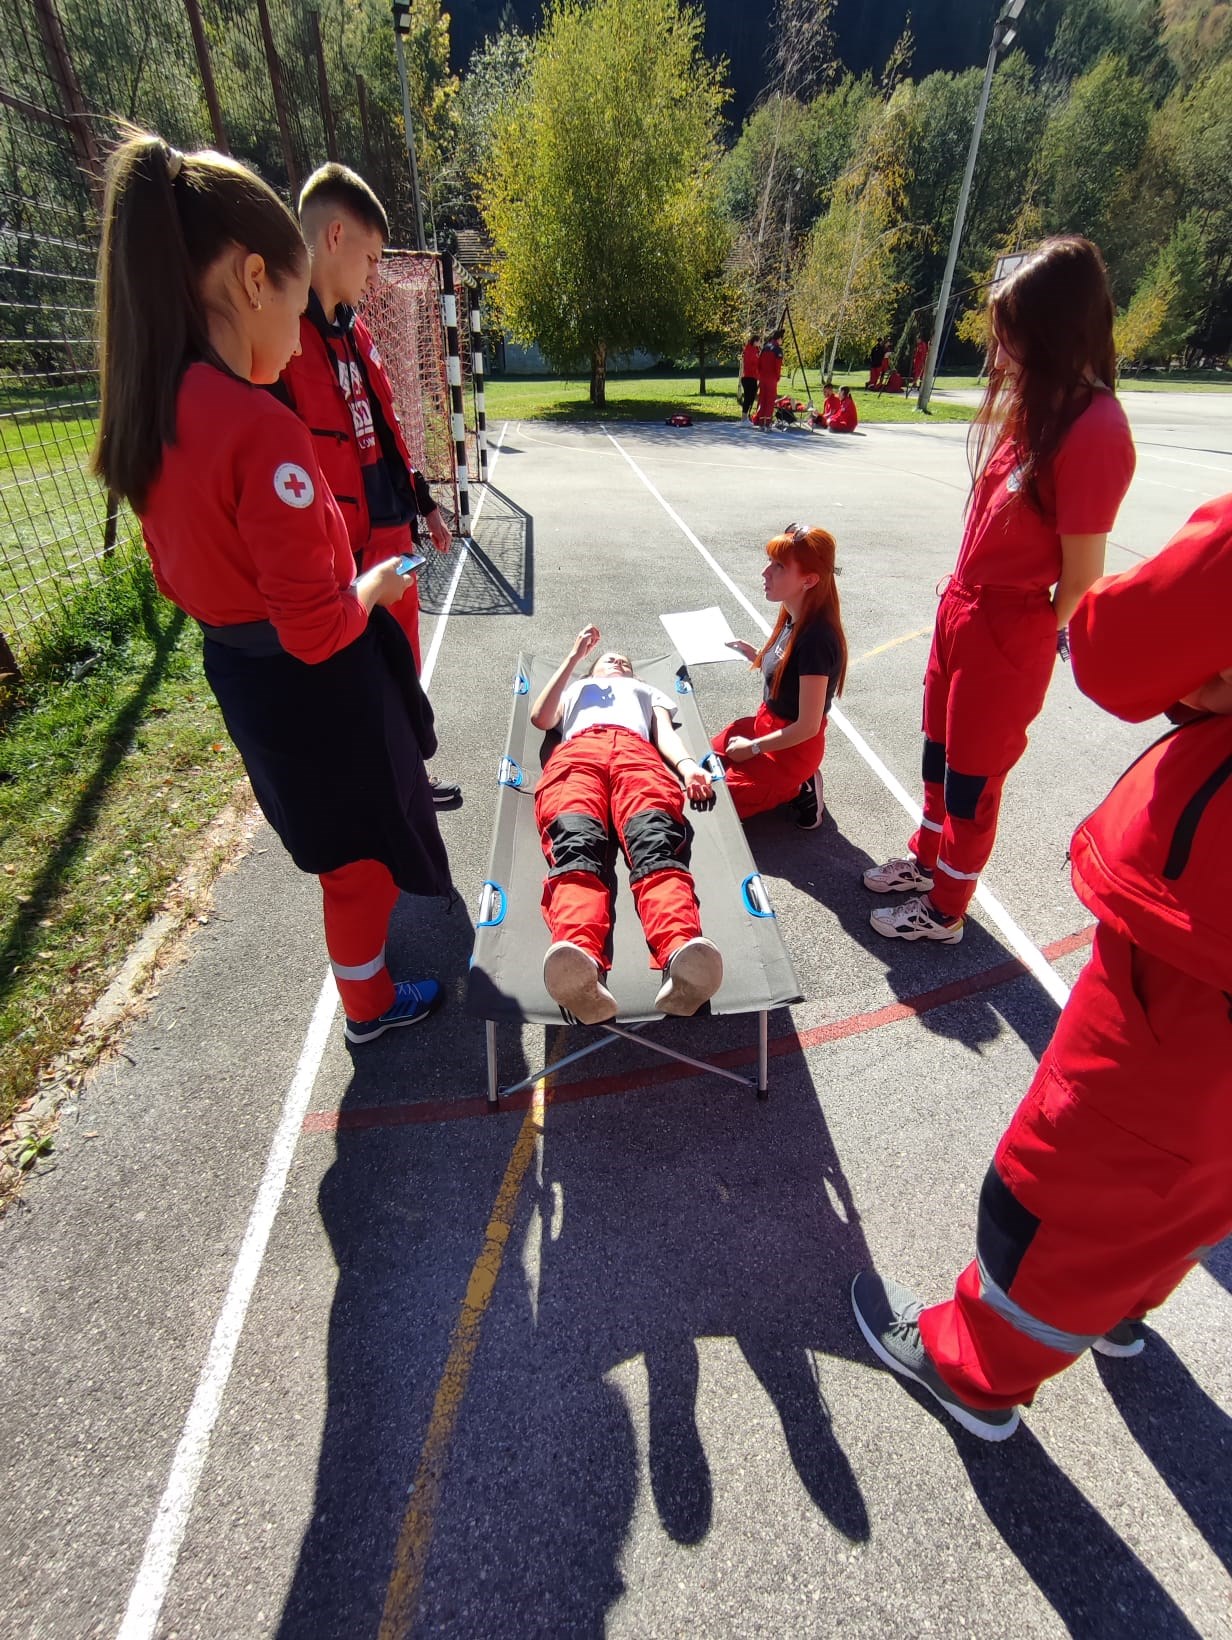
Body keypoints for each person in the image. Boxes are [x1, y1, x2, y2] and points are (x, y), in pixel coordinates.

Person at [851, 494, 1232, 1442]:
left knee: (1079, 1164)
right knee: (1205, 1161)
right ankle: (1122, 1304)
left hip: (1203, 926)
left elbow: (1120, 645)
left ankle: (976, 1367)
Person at [91, 132, 451, 1045]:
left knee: (335, 851)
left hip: (242, 675)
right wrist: (370, 583)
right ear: (255, 280)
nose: (295, 341)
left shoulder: (151, 411)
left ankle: (365, 987)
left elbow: (182, 574)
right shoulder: (256, 427)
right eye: (291, 308)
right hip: (312, 686)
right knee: (360, 860)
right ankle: (370, 1004)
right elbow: (318, 630)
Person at [863, 236, 1136, 944]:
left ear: (1051, 329)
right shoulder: (1036, 407)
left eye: (1009, 331)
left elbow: (1081, 577)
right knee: (936, 755)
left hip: (1007, 629)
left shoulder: (1095, 426)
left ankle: (946, 909)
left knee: (971, 783)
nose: (998, 349)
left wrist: (1016, 627)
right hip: (963, 609)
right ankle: (925, 862)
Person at [276, 162, 460, 807]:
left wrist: (426, 504)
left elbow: (386, 427)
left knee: (403, 663)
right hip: (339, 548)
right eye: (371, 257)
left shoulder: (356, 331)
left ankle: (410, 776)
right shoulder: (280, 338)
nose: (374, 274)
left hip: (391, 532)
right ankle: (369, 790)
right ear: (333, 237)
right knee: (355, 670)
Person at [529, 628, 723, 1024]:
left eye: (625, 662)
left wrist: (688, 769)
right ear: (591, 670)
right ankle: (579, 961)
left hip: (638, 757)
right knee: (577, 846)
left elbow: (664, 735)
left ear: (635, 676)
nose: (617, 662)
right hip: (578, 755)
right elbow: (540, 718)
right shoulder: (575, 689)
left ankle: (682, 956)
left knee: (656, 846)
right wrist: (574, 656)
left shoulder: (647, 693)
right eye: (608, 659)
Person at [712, 525, 848, 831]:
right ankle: (789, 781)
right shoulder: (792, 614)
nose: (765, 572)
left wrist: (753, 747)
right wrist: (757, 656)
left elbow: (808, 726)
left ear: (809, 581)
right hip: (766, 726)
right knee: (704, 758)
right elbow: (788, 670)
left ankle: (799, 786)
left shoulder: (817, 639)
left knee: (713, 803)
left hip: (791, 751)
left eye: (779, 566)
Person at [754, 330, 784, 428]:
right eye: (782, 339)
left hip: (762, 377)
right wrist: (777, 377)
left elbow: (759, 364)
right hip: (771, 378)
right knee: (770, 401)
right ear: (779, 339)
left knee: (762, 399)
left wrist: (760, 376)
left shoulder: (765, 348)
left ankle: (761, 422)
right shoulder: (778, 350)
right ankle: (767, 422)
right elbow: (778, 366)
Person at [739, 334, 760, 420]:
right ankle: (743, 417)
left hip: (753, 377)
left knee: (751, 397)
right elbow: (751, 363)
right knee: (748, 397)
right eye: (759, 341)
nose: (760, 343)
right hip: (748, 377)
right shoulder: (749, 350)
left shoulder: (755, 350)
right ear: (755, 342)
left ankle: (746, 416)